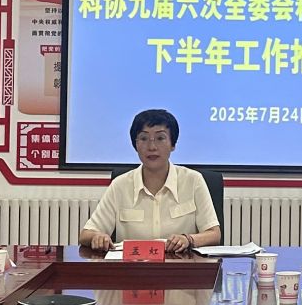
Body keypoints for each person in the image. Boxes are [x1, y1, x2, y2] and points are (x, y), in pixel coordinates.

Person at [78, 110, 220, 256]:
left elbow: (214, 234)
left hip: (181, 265)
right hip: (133, 267)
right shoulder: (120, 185)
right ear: (135, 145)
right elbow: (86, 234)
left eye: (160, 138)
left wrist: (188, 239)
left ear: (173, 144)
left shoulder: (193, 181)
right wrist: (97, 237)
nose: (152, 147)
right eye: (144, 138)